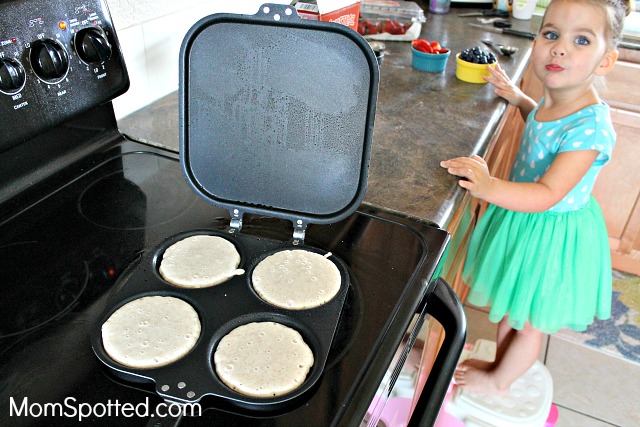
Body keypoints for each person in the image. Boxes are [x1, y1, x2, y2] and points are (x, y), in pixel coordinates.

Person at [440, 0, 634, 396]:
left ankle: (500, 382)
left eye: (581, 39)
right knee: (513, 307)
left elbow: (548, 193)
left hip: (551, 234)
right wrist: (518, 98)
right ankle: (499, 363)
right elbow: (544, 125)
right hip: (526, 223)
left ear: (605, 61)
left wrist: (489, 185)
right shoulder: (560, 96)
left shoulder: (592, 127)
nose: (560, 47)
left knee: (530, 323)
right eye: (551, 34)